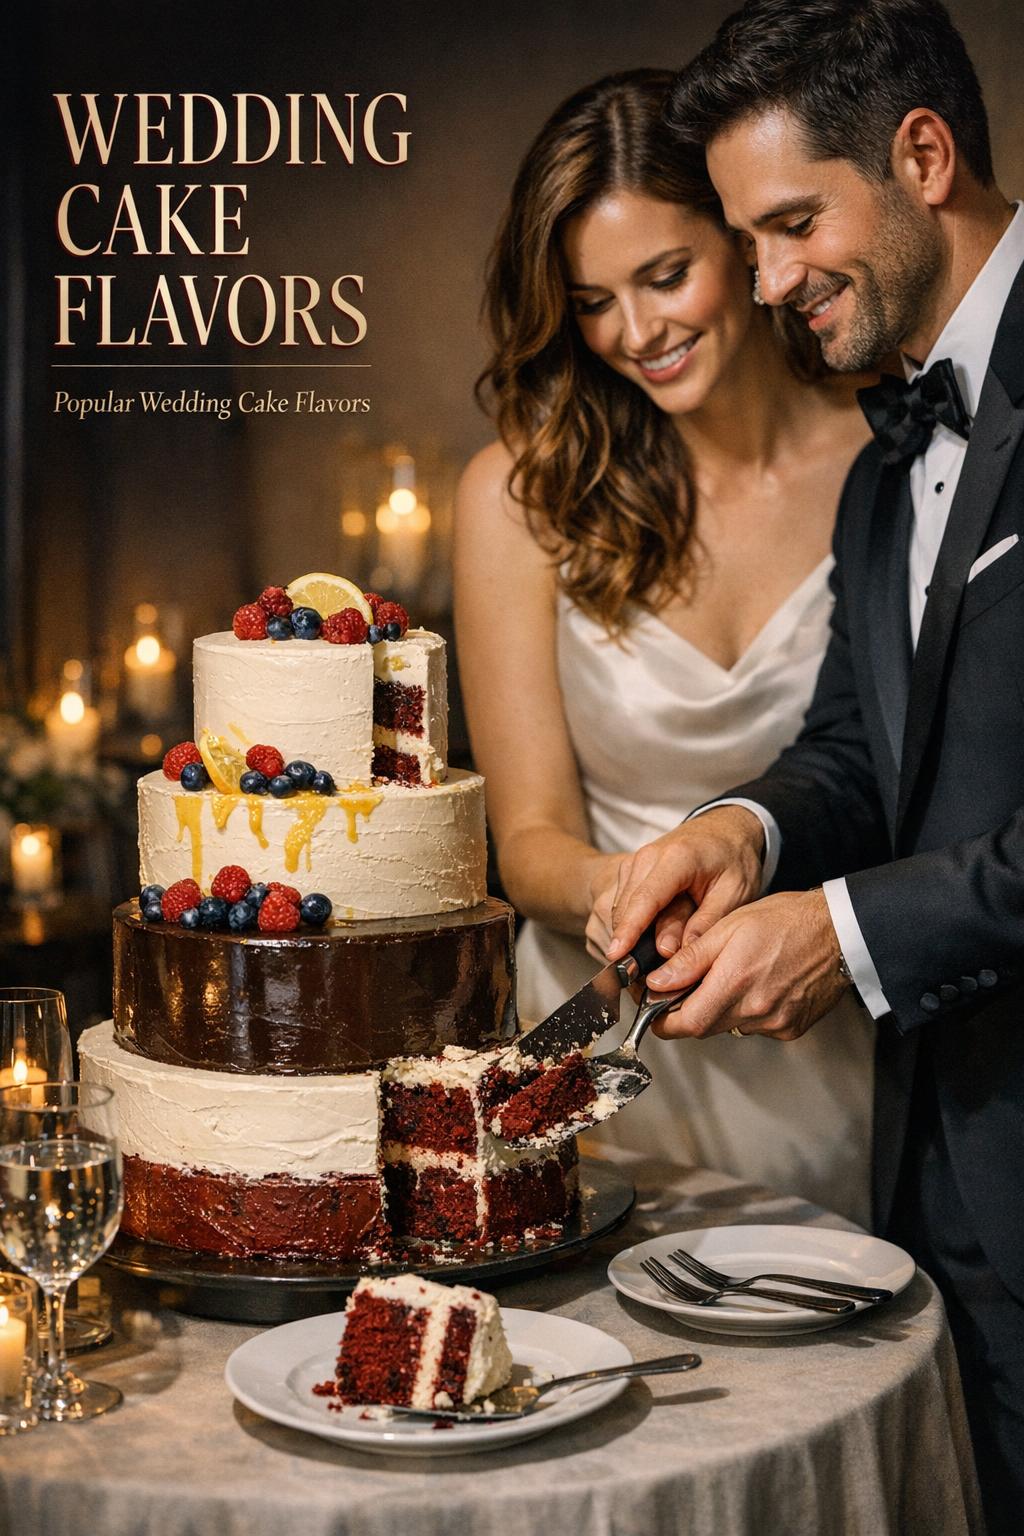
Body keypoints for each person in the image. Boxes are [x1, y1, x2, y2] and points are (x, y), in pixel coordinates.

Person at [604, 2, 1024, 1525]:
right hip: (932, 1185)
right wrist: (740, 840)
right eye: (748, 236)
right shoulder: (885, 450)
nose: (767, 280)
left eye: (791, 225)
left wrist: (842, 940)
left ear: (923, 156)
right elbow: (856, 744)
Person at [454, 70, 875, 1222]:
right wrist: (628, 894)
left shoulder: (886, 458)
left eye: (663, 275)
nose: (634, 333)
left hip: (826, 1030)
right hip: (606, 1041)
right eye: (592, 301)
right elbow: (527, 833)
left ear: (742, 245)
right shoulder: (518, 495)